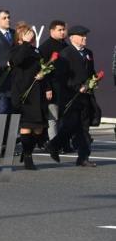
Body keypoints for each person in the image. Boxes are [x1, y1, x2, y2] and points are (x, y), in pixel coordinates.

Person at [46, 25, 99, 168]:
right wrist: (76, 87)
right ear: (72, 38)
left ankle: (83, 157)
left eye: (85, 35)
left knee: (84, 127)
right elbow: (61, 78)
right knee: (70, 126)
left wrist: (94, 80)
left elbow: (90, 72)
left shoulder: (88, 53)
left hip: (85, 96)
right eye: (82, 35)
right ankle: (53, 145)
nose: (85, 38)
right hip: (70, 97)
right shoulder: (66, 53)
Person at [9, 23, 51, 170]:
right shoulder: (16, 50)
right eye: (27, 34)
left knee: (39, 128)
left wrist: (46, 85)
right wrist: (25, 44)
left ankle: (27, 151)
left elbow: (43, 68)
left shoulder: (36, 51)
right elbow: (17, 61)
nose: (31, 36)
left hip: (37, 92)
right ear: (20, 36)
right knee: (27, 126)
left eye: (32, 34)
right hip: (23, 93)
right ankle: (28, 156)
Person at [38, 20, 68, 142]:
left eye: (63, 30)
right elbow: (42, 70)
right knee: (53, 117)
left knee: (63, 116)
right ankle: (53, 143)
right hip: (52, 87)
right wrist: (48, 87)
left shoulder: (65, 46)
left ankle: (62, 142)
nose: (62, 32)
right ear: (52, 31)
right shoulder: (45, 47)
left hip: (65, 86)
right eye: (59, 30)